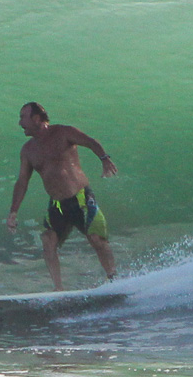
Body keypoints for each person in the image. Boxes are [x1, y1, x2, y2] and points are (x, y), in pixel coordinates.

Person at [6, 102, 118, 290]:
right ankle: (58, 290)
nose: (20, 123)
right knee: (48, 241)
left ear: (36, 118)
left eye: (23, 118)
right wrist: (13, 212)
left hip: (81, 199)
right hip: (57, 205)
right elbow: (22, 182)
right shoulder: (28, 150)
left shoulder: (64, 133)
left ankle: (114, 279)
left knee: (97, 240)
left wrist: (104, 159)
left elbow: (91, 142)